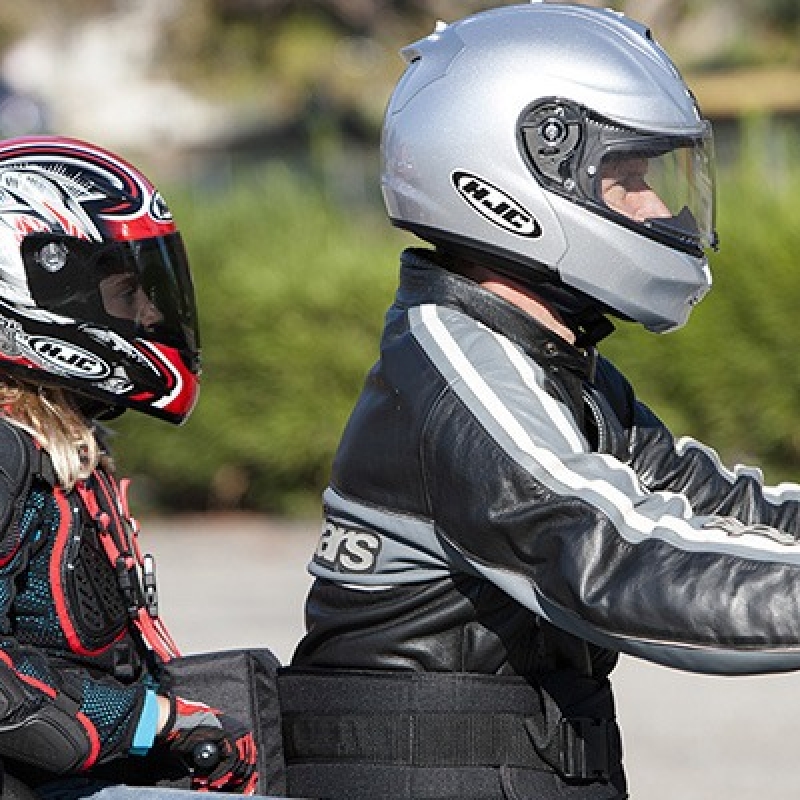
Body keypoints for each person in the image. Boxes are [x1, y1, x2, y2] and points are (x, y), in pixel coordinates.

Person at [280, 4, 800, 800]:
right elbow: (612, 558)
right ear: (516, 177)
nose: (658, 209)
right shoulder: (455, 366)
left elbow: (722, 508)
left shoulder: (550, 364)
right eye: (628, 180)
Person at [0, 136, 257, 797]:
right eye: (125, 292)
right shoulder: (6, 449)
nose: (149, 313)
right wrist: (153, 720)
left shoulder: (54, 442)